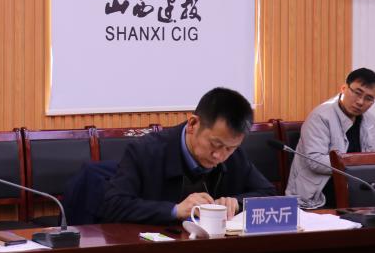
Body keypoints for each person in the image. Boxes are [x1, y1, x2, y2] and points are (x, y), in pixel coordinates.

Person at [100, 87, 276, 225]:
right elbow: (113, 205)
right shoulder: (145, 151)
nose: (219, 156)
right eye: (215, 144)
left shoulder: (234, 154)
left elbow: (269, 193)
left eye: (229, 149)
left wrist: (237, 203)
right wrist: (175, 210)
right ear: (193, 124)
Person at [285, 68, 375, 208]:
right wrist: (354, 163)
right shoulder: (320, 117)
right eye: (357, 93)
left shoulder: (370, 120)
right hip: (318, 196)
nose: (360, 102)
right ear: (344, 88)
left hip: (355, 193)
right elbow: (314, 161)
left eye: (369, 98)